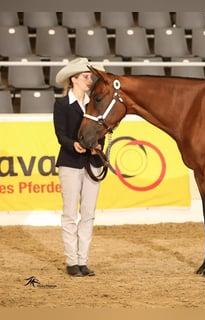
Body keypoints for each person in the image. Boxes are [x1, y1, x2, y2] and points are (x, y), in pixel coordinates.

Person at [53, 57, 105, 277]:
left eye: (90, 77)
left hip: (91, 163)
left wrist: (98, 146)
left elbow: (103, 130)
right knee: (70, 213)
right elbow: (60, 134)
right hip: (70, 162)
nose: (89, 80)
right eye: (85, 76)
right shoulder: (62, 104)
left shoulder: (95, 103)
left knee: (88, 213)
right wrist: (73, 144)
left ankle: (83, 260)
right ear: (73, 79)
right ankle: (72, 261)